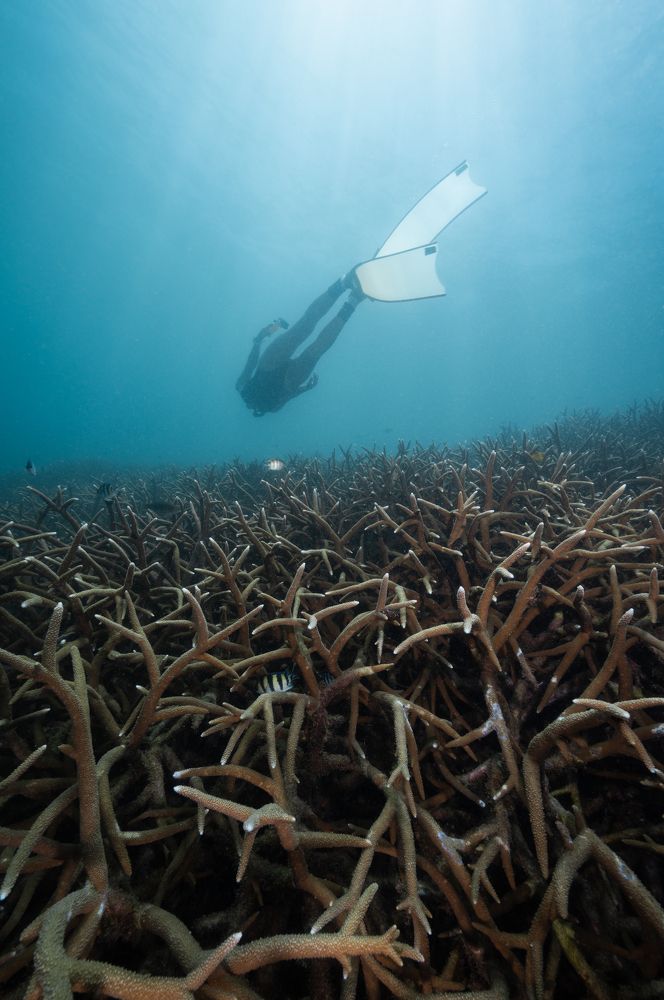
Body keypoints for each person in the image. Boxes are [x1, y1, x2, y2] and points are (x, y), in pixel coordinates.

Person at [236, 273, 364, 416]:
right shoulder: (241, 388)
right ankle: (343, 284)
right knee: (304, 327)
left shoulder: (272, 408)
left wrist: (306, 388)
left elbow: (289, 396)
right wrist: (258, 342)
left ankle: (354, 300)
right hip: (267, 368)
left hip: (284, 387)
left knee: (317, 349)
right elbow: (250, 365)